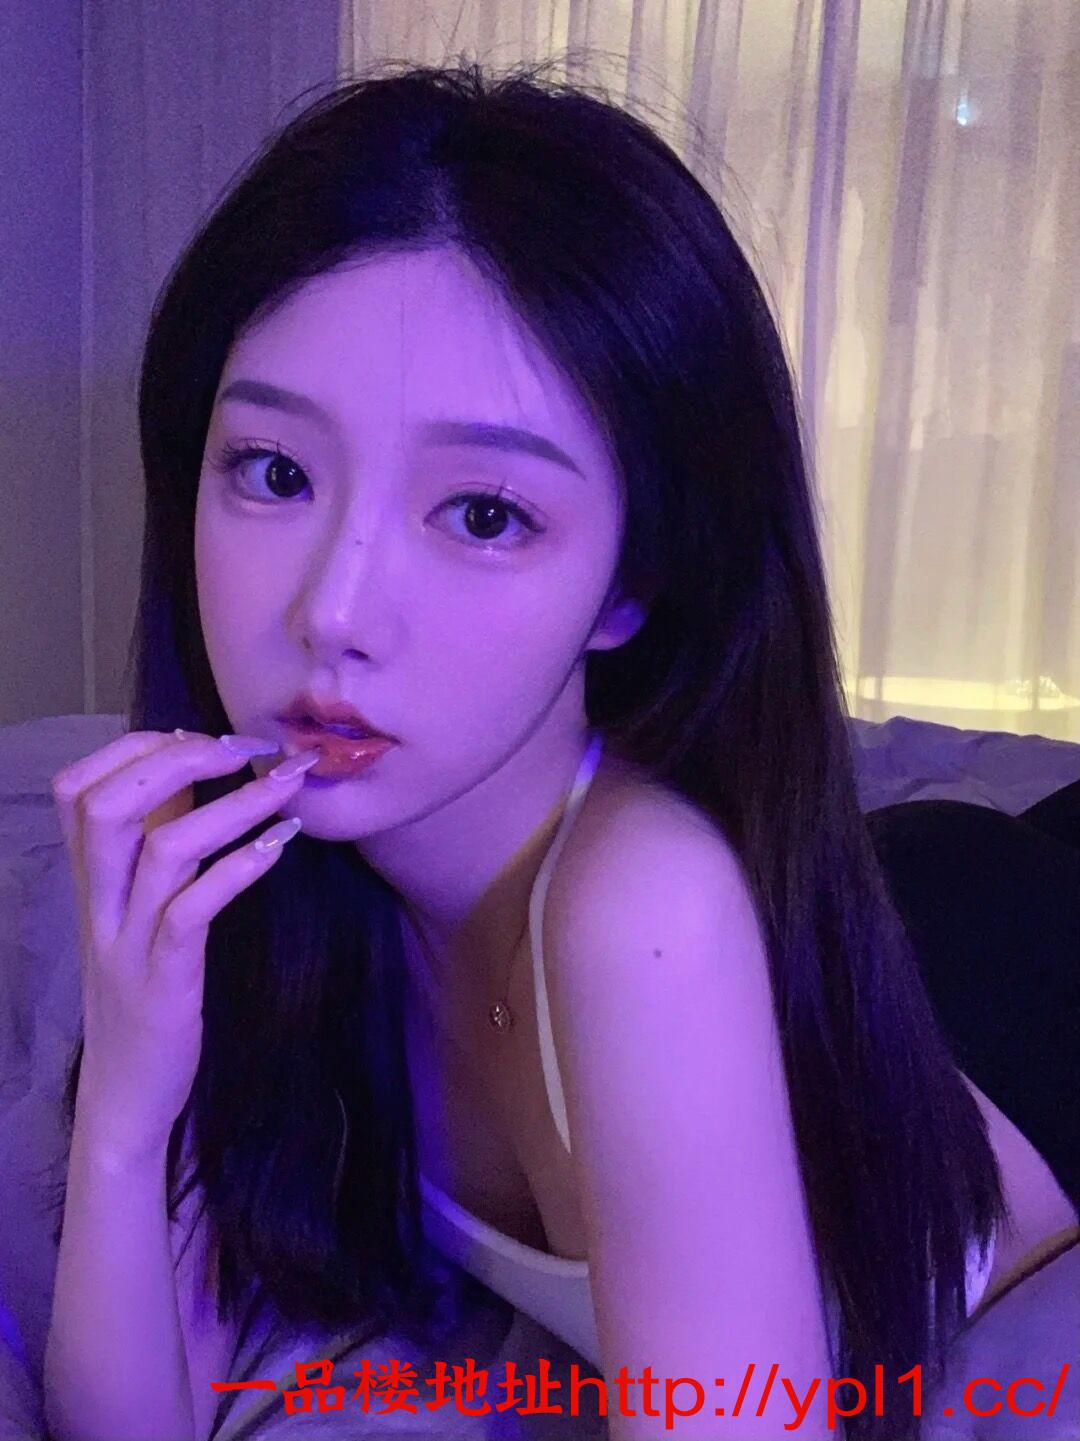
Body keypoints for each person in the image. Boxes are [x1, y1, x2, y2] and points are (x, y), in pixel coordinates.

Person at [38, 55, 1076, 1441]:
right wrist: (124, 1102)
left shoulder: (639, 910)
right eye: (275, 473)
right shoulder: (271, 876)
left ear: (632, 584)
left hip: (1019, 963)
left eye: (483, 515)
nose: (331, 614)